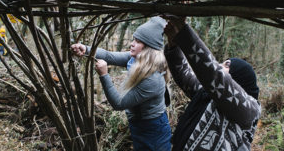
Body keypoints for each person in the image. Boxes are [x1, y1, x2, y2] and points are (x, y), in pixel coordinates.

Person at [71, 16, 172, 150]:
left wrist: (104, 75)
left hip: (153, 128)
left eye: (138, 41)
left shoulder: (152, 79)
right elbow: (109, 56)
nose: (132, 44)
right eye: (134, 39)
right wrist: (86, 49)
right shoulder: (135, 60)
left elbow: (118, 103)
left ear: (148, 48)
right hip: (139, 124)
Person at [163, 17, 261, 151]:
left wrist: (184, 30)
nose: (220, 66)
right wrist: (174, 44)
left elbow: (214, 75)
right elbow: (184, 75)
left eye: (227, 65)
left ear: (238, 79)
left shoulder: (249, 110)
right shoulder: (208, 94)